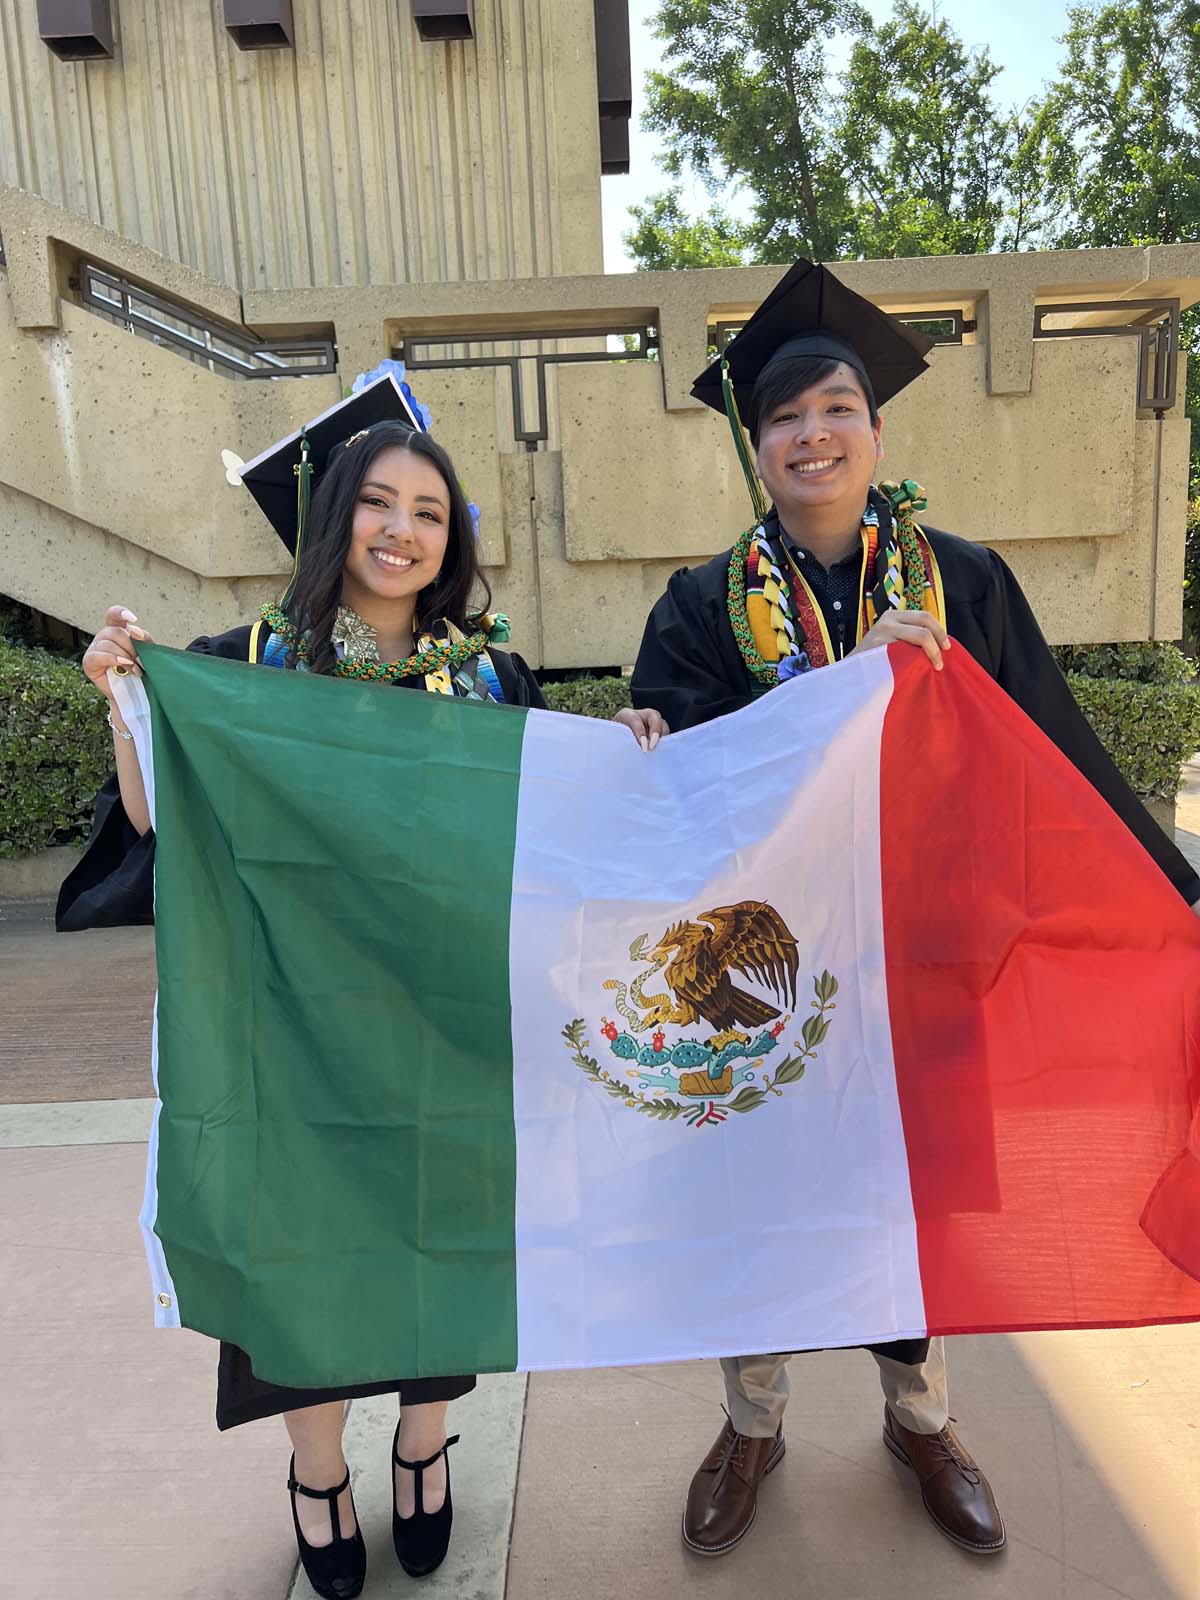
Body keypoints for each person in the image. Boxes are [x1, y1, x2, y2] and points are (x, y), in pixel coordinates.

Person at [58, 374, 666, 1599]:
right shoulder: (251, 664)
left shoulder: (493, 679)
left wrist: (629, 752)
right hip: (288, 1035)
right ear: (335, 516)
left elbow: (556, 831)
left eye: (430, 511)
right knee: (298, 1260)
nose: (403, 529)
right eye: (379, 503)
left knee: (448, 1245)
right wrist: (127, 697)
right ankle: (320, 1474)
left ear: (456, 537)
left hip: (452, 1037)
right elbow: (151, 815)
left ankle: (427, 1445)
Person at [630, 260, 1200, 1561]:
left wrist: (1171, 887)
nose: (814, 435)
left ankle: (919, 1416)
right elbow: (678, 783)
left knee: (914, 1204)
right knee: (760, 1202)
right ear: (756, 447)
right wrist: (654, 733)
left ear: (876, 430)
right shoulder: (700, 606)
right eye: (786, 418)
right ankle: (755, 1420)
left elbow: (1051, 753)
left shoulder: (966, 583)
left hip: (930, 960)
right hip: (763, 974)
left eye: (837, 408)